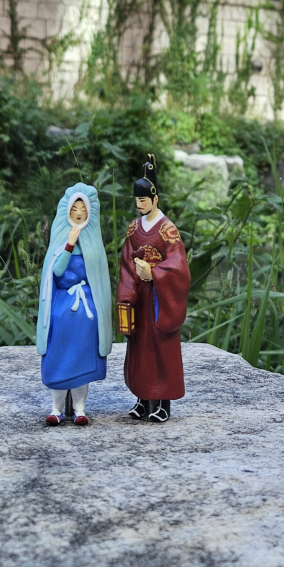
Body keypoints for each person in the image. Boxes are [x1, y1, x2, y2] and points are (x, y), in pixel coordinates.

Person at [116, 155, 191, 423]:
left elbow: (179, 267)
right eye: (137, 201)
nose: (140, 206)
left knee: (161, 349)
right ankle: (141, 398)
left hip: (160, 300)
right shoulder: (134, 228)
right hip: (140, 298)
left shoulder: (168, 230)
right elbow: (126, 263)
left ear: (155, 199)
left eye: (144, 201)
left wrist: (156, 273)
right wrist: (127, 295)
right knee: (140, 350)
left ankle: (162, 405)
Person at [36, 183, 112, 426]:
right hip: (62, 307)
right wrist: (69, 245)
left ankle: (80, 407)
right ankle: (57, 407)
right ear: (67, 212)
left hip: (85, 309)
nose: (79, 213)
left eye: (83, 209)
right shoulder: (61, 238)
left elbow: (97, 279)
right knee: (59, 354)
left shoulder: (93, 243)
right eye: (74, 208)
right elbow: (56, 271)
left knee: (83, 356)